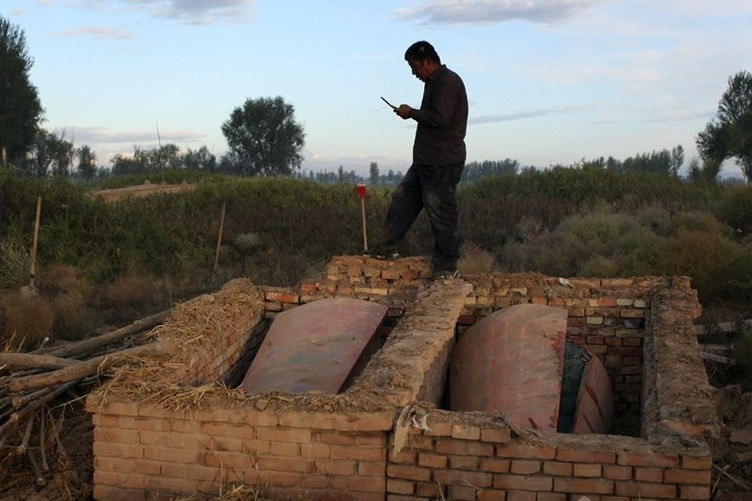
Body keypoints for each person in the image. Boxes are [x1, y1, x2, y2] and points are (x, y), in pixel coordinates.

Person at [369, 41, 468, 279]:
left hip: (441, 163)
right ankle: (385, 249)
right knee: (402, 202)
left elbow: (440, 118)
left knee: (442, 215)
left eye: (414, 67)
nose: (414, 73)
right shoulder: (435, 82)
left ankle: (446, 268)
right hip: (426, 161)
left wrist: (410, 113)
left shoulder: (448, 82)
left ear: (426, 61)